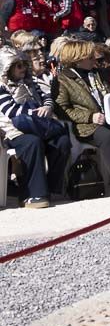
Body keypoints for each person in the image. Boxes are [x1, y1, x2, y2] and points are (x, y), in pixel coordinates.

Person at [52, 39, 110, 194]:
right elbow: (62, 109)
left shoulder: (98, 74)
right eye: (90, 57)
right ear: (77, 59)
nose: (94, 60)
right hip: (85, 126)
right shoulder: (63, 79)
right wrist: (90, 116)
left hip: (109, 119)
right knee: (109, 138)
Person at [0, 47, 69, 208]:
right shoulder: (2, 86)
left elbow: (46, 98)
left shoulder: (30, 82)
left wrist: (47, 107)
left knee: (62, 141)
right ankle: (31, 193)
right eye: (18, 66)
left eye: (24, 64)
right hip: (14, 131)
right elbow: (10, 111)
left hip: (38, 124)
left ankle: (51, 188)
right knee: (33, 143)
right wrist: (36, 112)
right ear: (6, 67)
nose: (23, 69)